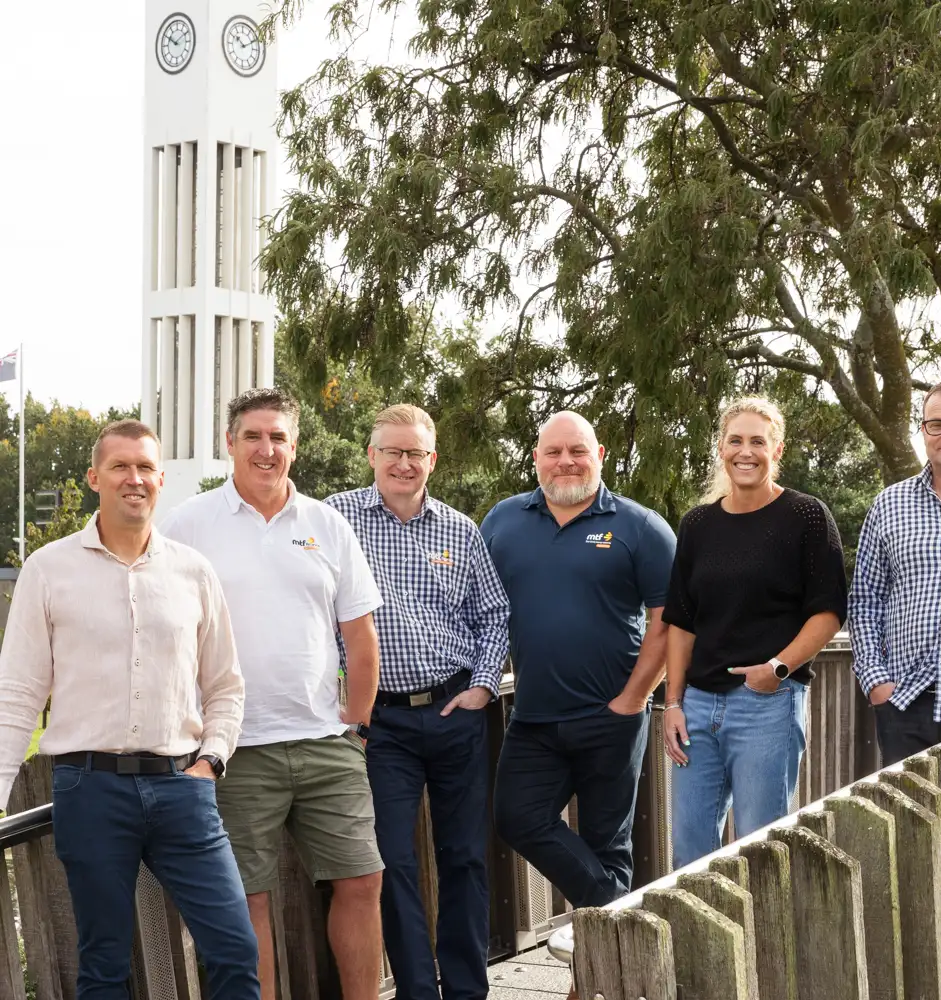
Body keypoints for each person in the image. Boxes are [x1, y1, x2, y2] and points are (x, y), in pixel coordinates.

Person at [0, 419, 260, 999]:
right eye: (120, 466)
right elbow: (16, 696)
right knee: (105, 964)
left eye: (145, 468)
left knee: (235, 949)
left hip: (182, 788)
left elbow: (225, 685)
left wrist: (211, 762)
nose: (134, 479)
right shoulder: (49, 569)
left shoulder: (193, 572)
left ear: (161, 480)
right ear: (94, 477)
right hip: (89, 791)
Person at [161, 389, 384, 1000]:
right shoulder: (186, 525)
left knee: (363, 881)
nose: (267, 449)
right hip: (234, 749)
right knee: (245, 899)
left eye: (278, 437)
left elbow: (360, 637)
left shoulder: (326, 524)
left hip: (325, 742)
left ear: (294, 446)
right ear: (229, 444)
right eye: (253, 436)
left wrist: (356, 726)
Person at [324, 404, 510, 1000]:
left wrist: (483, 684)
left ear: (433, 460)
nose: (404, 463)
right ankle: (415, 991)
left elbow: (494, 615)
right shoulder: (334, 519)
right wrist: (345, 705)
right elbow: (314, 614)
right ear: (371, 454)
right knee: (391, 865)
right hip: (380, 724)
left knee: (464, 858)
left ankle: (465, 989)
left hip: (456, 711)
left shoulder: (461, 529)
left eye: (416, 453)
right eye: (392, 451)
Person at [481, 410, 676, 907]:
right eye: (554, 452)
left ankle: (592, 978)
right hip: (532, 717)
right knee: (516, 818)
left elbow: (670, 620)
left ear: (599, 456)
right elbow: (478, 606)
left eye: (578, 451)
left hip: (611, 716)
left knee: (607, 845)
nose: (566, 462)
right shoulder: (502, 521)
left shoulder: (641, 527)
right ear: (536, 459)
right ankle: (620, 914)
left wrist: (634, 700)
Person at [662, 397, 847, 868]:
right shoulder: (697, 524)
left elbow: (828, 613)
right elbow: (681, 622)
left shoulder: (806, 516)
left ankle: (762, 946)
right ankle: (699, 944)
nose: (746, 452)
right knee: (689, 853)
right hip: (698, 711)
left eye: (758, 442)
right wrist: (674, 703)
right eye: (736, 440)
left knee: (760, 852)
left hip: (767, 705)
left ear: (777, 450)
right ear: (721, 449)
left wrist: (777, 669)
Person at [849, 381, 941, 765]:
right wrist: (875, 681)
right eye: (936, 424)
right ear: (922, 431)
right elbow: (864, 601)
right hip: (906, 702)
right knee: (908, 824)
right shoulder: (890, 504)